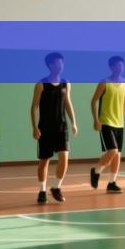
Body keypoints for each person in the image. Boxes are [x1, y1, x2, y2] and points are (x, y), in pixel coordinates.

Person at [31, 52, 78, 204]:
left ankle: (56, 187)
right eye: (58, 63)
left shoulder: (66, 83)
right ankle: (42, 191)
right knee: (44, 161)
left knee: (64, 157)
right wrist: (34, 127)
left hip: (61, 127)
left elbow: (68, 103)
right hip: (45, 128)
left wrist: (73, 122)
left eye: (62, 63)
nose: (61, 65)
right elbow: (34, 107)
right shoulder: (41, 84)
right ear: (50, 65)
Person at [89, 55, 125, 194]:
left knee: (117, 155)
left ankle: (112, 183)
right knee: (112, 151)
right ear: (112, 67)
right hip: (106, 121)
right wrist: (96, 119)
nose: (120, 67)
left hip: (119, 123)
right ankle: (96, 170)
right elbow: (94, 101)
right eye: (118, 65)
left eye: (122, 65)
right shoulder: (104, 82)